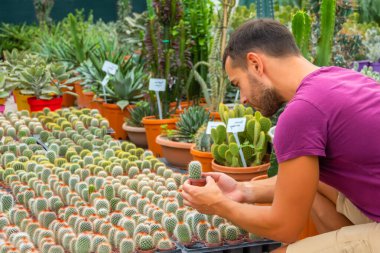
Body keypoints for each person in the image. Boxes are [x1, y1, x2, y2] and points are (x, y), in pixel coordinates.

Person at [181, 19, 380, 253]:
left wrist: (218, 204)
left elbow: (285, 228)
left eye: (238, 84)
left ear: (255, 64)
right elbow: (297, 185)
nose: (243, 98)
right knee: (314, 186)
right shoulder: (341, 78)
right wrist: (243, 191)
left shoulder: (302, 111)